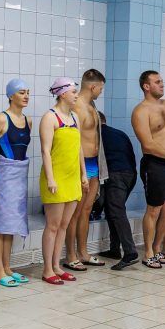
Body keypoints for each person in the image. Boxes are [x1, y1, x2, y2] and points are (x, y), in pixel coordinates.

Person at [132, 70, 165, 268]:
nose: (162, 84)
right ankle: (147, 252)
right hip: (154, 164)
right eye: (157, 82)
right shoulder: (141, 111)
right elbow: (147, 144)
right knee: (154, 209)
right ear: (146, 86)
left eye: (162, 81)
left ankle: (157, 247)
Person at [0, 78, 31, 288]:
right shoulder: (1, 119)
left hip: (20, 176)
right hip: (4, 176)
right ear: (11, 95)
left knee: (12, 222)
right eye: (22, 92)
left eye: (27, 92)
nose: (26, 96)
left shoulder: (28, 121)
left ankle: (7, 266)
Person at [39, 78, 83, 284]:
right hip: (55, 178)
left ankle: (57, 265)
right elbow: (45, 151)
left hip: (73, 177)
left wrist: (83, 174)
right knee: (53, 225)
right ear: (62, 94)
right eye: (73, 92)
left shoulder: (75, 117)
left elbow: (79, 148)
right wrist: (50, 178)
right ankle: (47, 269)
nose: (76, 95)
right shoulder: (50, 117)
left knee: (64, 225)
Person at [64, 69, 105, 271]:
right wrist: (81, 172)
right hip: (80, 165)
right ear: (92, 86)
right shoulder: (77, 107)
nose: (101, 92)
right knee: (75, 212)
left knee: (87, 210)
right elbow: (75, 141)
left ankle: (83, 252)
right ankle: (70, 255)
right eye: (100, 88)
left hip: (94, 163)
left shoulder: (91, 106)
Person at [96, 111, 139, 271]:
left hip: (116, 175)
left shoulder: (97, 135)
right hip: (130, 174)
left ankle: (130, 252)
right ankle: (114, 249)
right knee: (111, 210)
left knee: (116, 211)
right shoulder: (120, 133)